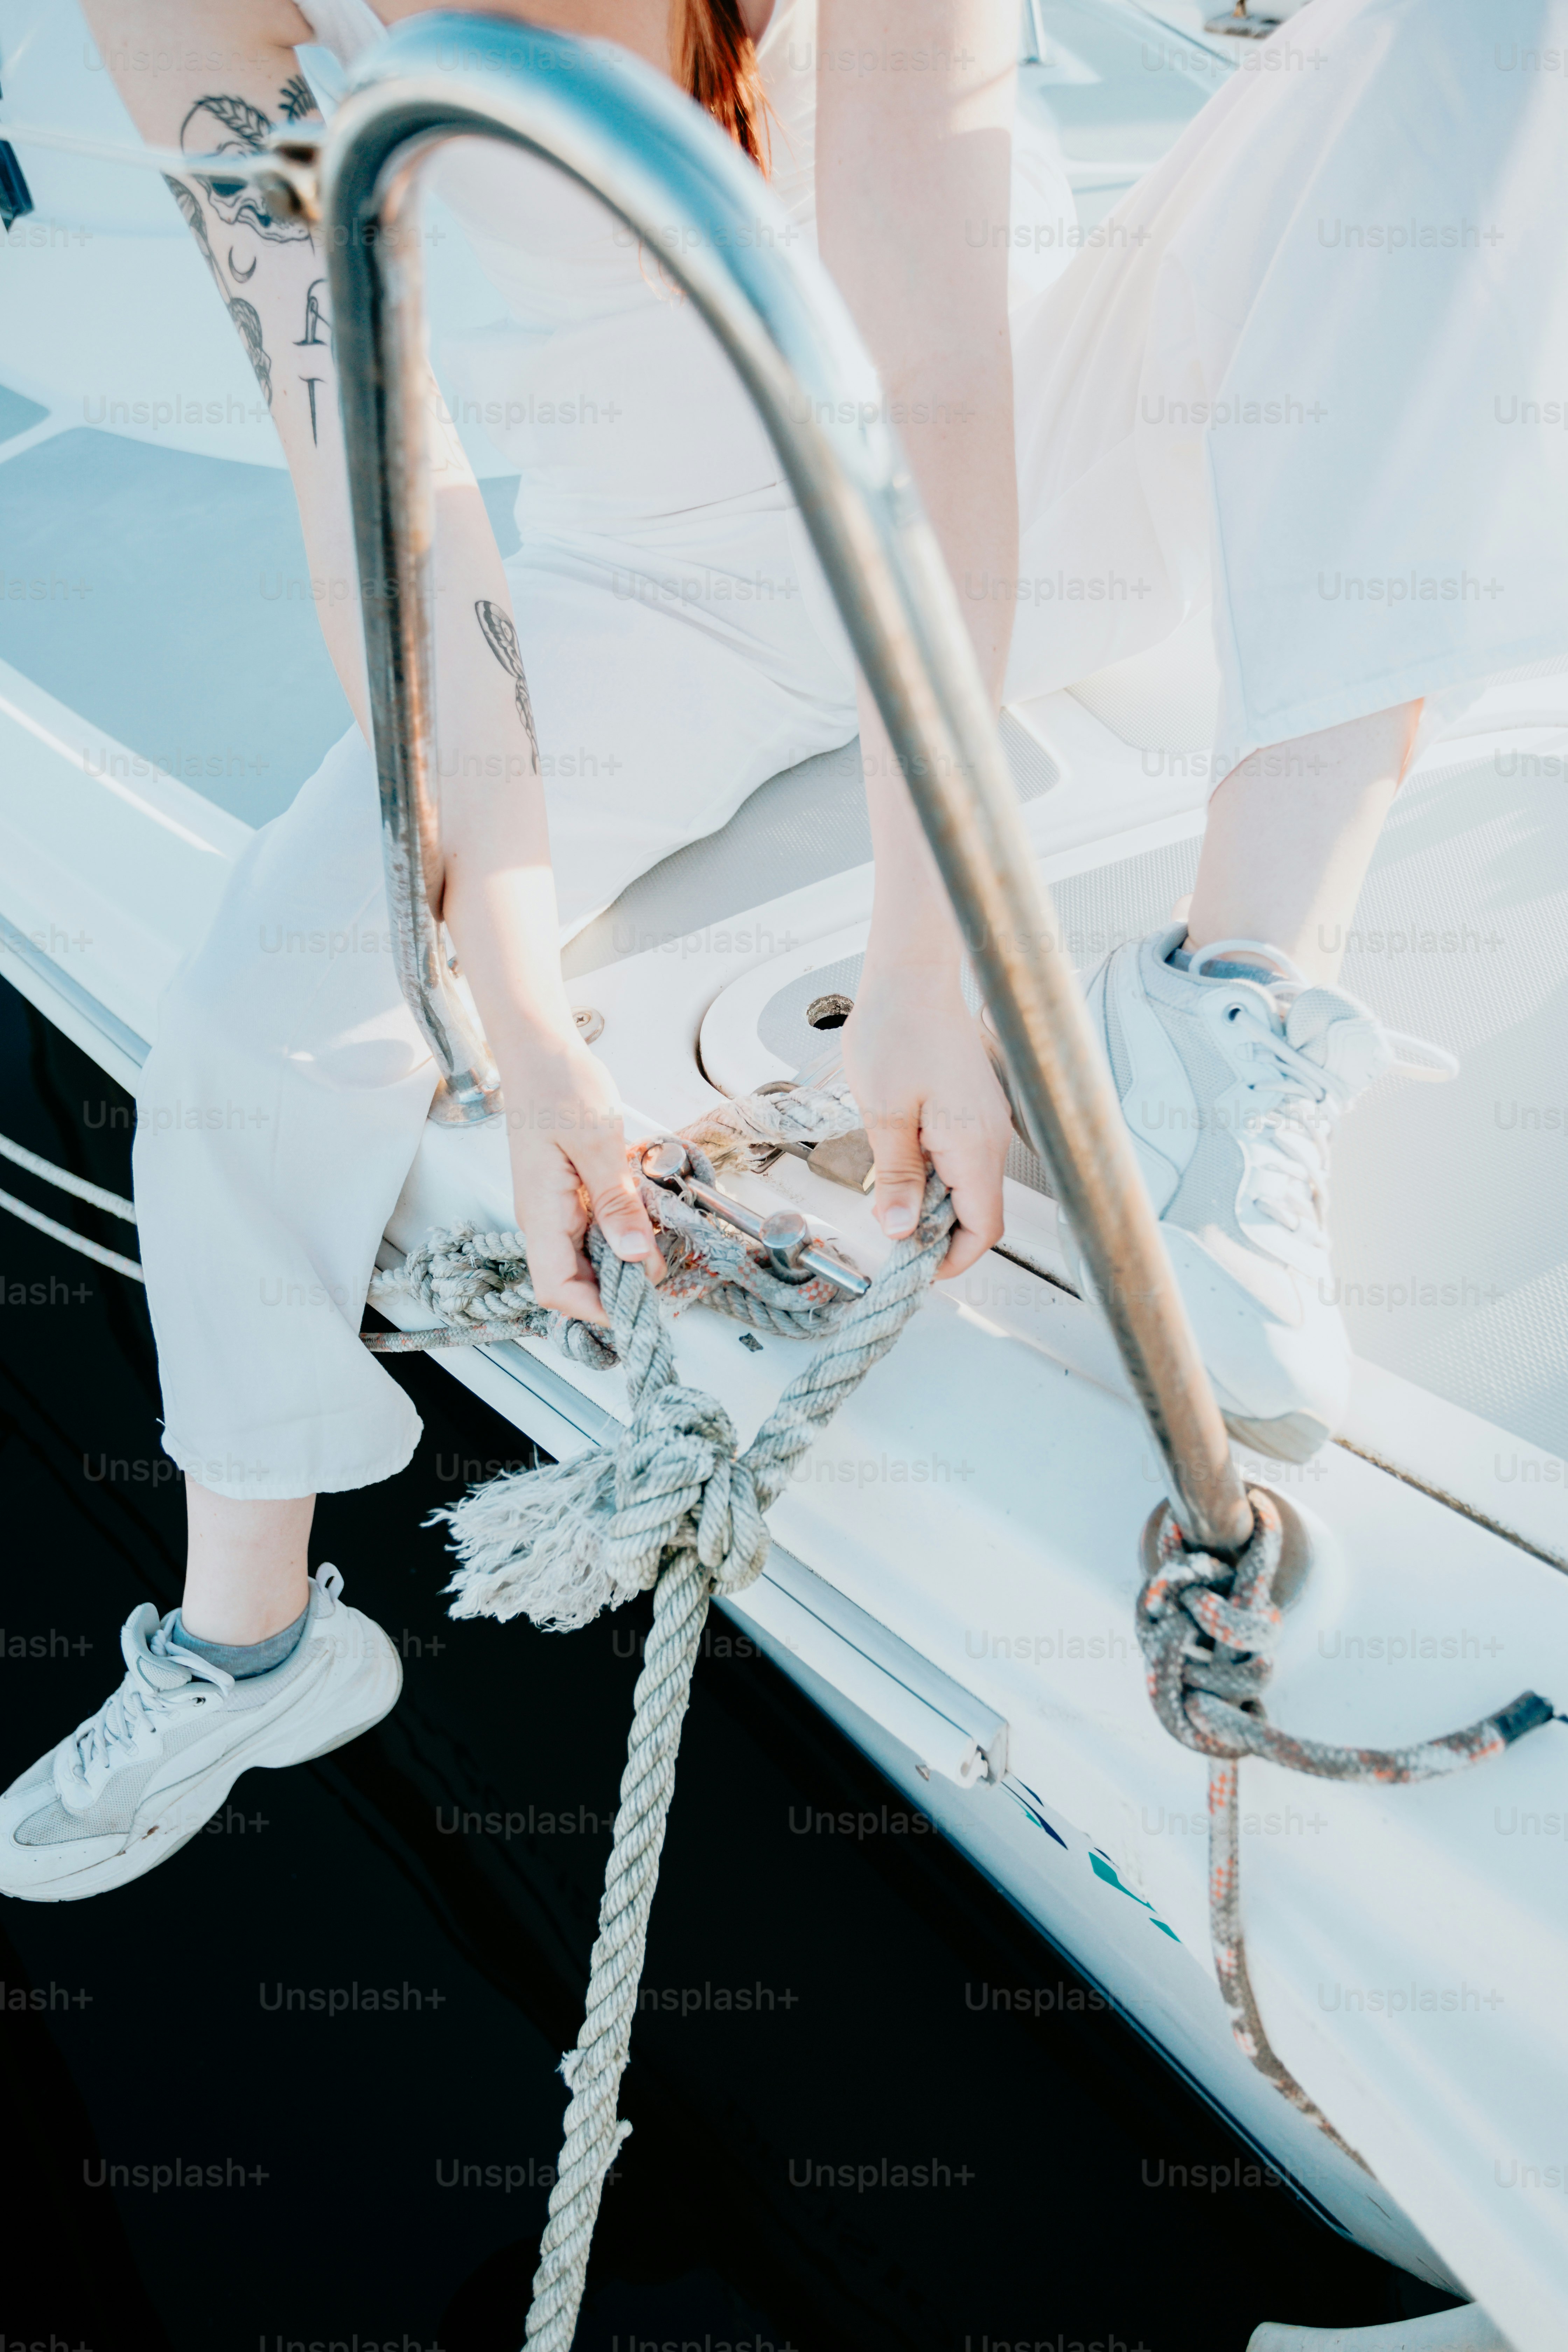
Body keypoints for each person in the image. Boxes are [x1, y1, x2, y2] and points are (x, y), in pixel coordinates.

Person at [5, 0, 1563, 1900]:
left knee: (1472, 31)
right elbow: (377, 489)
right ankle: (247, 1642)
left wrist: (933, 954)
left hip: (1032, 475)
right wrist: (522, 1020)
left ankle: (1234, 992)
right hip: (667, 581)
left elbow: (937, 394)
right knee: (261, 1006)